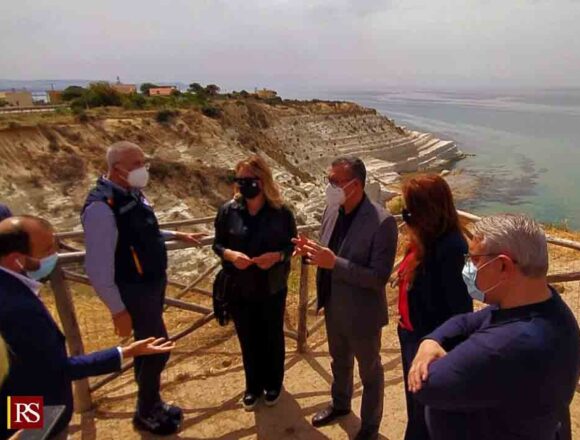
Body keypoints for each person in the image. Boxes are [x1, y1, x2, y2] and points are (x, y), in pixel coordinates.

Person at [0, 216, 175, 440]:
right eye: (46, 250)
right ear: (17, 260)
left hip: (27, 407)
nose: (54, 254)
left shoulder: (11, 290)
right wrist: (125, 353)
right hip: (31, 412)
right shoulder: (16, 308)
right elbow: (55, 370)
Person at [408, 214, 580, 440]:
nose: (469, 267)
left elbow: (425, 386)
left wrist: (428, 351)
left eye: (475, 260)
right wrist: (431, 342)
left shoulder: (504, 345)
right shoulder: (545, 307)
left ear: (503, 265)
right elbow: (465, 321)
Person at [81, 141, 203, 435]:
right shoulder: (101, 205)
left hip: (150, 284)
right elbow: (97, 268)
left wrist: (177, 233)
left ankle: (150, 405)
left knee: (148, 349)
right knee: (157, 349)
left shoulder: (131, 194)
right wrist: (117, 309)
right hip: (133, 289)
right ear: (116, 169)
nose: (143, 168)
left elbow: (142, 230)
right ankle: (146, 411)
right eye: (136, 164)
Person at [293, 157, 398, 440]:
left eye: (335, 181)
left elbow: (378, 277)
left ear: (356, 185)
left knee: (370, 371)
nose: (330, 186)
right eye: (329, 180)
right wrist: (310, 251)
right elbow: (327, 253)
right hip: (333, 305)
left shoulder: (382, 222)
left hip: (362, 313)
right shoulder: (331, 210)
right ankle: (340, 405)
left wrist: (334, 263)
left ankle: (370, 426)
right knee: (339, 361)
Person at [212, 155, 297, 410]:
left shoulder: (281, 213)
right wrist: (230, 255)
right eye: (240, 180)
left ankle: (274, 383)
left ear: (263, 180)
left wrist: (277, 256)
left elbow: (290, 246)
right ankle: (252, 386)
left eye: (250, 180)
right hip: (240, 286)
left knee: (272, 336)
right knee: (247, 338)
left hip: (271, 286)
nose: (244, 185)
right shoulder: (228, 211)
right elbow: (217, 244)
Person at [396, 174, 473, 440]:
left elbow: (460, 311)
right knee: (415, 405)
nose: (405, 214)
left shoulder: (452, 248)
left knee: (425, 414)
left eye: (410, 208)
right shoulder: (425, 239)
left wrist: (437, 349)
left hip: (429, 344)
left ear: (426, 211)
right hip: (412, 334)